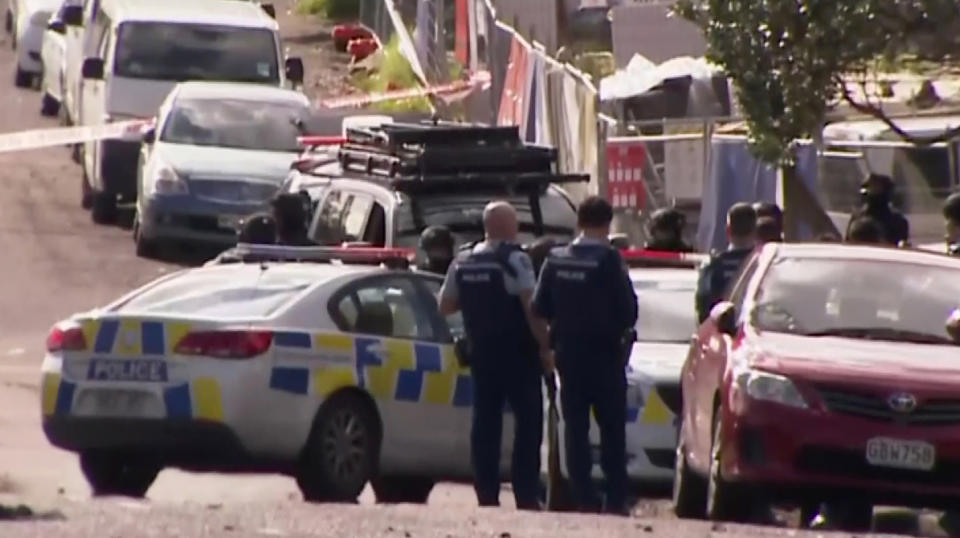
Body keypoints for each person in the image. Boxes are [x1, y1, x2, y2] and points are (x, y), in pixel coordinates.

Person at [437, 201, 553, 510]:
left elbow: (445, 306)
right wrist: (545, 346)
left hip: (482, 353)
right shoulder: (516, 260)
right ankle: (526, 494)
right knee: (528, 424)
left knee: (485, 423)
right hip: (518, 354)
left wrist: (478, 305)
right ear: (508, 226)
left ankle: (486, 493)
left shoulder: (463, 261)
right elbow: (531, 307)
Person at [532, 196, 638, 515]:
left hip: (568, 354)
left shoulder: (556, 258)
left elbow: (539, 307)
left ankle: (584, 497)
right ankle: (616, 497)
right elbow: (628, 310)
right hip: (605, 355)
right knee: (611, 427)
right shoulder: (609, 260)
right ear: (607, 224)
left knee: (575, 427)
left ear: (578, 221)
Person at [695, 202, 757, 323]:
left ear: (728, 230)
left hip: (722, 334)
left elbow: (703, 302)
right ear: (755, 230)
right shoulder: (765, 264)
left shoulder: (714, 266)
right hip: (755, 332)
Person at [845, 173, 909, 246]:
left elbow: (900, 250)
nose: (869, 191)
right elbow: (847, 245)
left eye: (875, 188)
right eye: (867, 188)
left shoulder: (897, 221)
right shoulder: (856, 217)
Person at [942, 191, 960, 256]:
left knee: (952, 233)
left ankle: (953, 249)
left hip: (951, 208)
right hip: (953, 208)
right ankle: (954, 249)